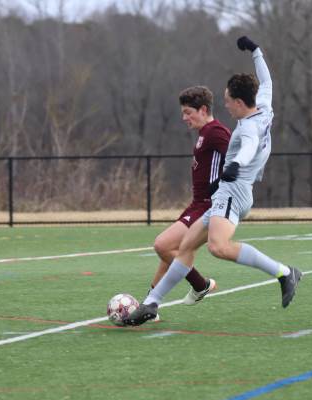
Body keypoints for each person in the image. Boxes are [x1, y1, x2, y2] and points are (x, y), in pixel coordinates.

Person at [124, 36, 302, 326]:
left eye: (229, 101)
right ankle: (151, 304)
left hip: (235, 192)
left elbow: (247, 147)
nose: (226, 105)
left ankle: (284, 272)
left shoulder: (247, 129)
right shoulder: (264, 107)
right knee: (184, 248)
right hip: (227, 193)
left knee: (218, 247)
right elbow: (267, 81)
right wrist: (256, 51)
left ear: (241, 103)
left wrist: (234, 166)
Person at [149, 85, 231, 317]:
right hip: (197, 204)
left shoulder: (216, 132)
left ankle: (200, 284)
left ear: (203, 109)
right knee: (170, 251)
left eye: (188, 112)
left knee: (162, 245)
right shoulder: (204, 134)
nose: (184, 118)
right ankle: (150, 305)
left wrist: (227, 184)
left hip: (209, 206)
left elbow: (237, 155)